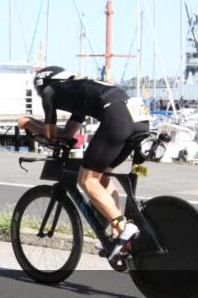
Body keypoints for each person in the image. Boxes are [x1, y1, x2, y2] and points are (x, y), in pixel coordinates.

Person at [18, 66, 151, 260]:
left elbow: (51, 134)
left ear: (42, 84)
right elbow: (67, 134)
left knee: (86, 180)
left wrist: (28, 123)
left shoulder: (50, 91)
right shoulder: (79, 91)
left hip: (118, 116)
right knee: (102, 176)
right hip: (139, 118)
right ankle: (117, 235)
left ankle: (123, 227)